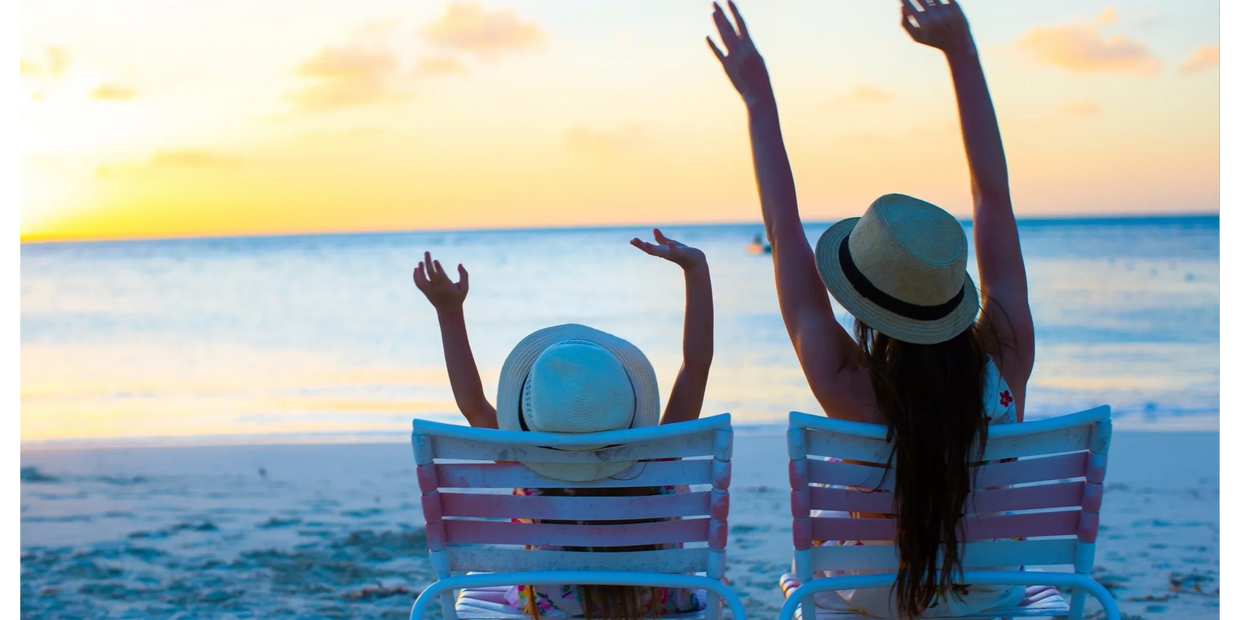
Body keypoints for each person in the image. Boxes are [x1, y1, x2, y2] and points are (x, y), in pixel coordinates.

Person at [708, 0, 1033, 618]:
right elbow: (994, 198)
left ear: (861, 299)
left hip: (875, 602)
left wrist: (759, 101)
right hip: (991, 598)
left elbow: (783, 225)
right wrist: (961, 52)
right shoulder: (1008, 356)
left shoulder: (844, 385)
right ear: (948, 296)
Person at [412, 228, 715, 619]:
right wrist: (696, 270)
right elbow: (696, 367)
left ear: (531, 408)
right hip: (659, 600)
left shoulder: (520, 458)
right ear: (625, 400)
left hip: (552, 606)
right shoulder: (658, 453)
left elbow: (471, 402)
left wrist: (449, 312)